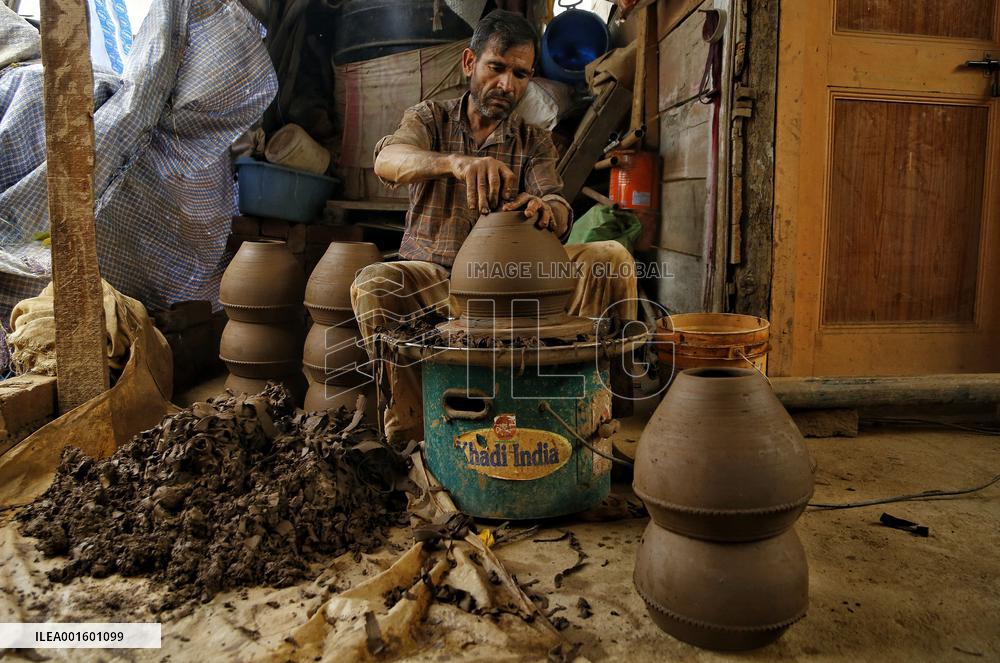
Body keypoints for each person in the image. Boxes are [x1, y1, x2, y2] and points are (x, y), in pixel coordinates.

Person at [350, 9, 637, 442]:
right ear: (470, 64)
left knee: (609, 258)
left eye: (521, 74)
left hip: (515, 287)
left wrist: (547, 211)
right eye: (496, 68)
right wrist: (455, 164)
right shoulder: (431, 118)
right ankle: (411, 435)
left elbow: (556, 201)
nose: (507, 85)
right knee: (375, 284)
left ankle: (597, 417)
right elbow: (388, 160)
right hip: (438, 283)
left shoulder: (533, 139)